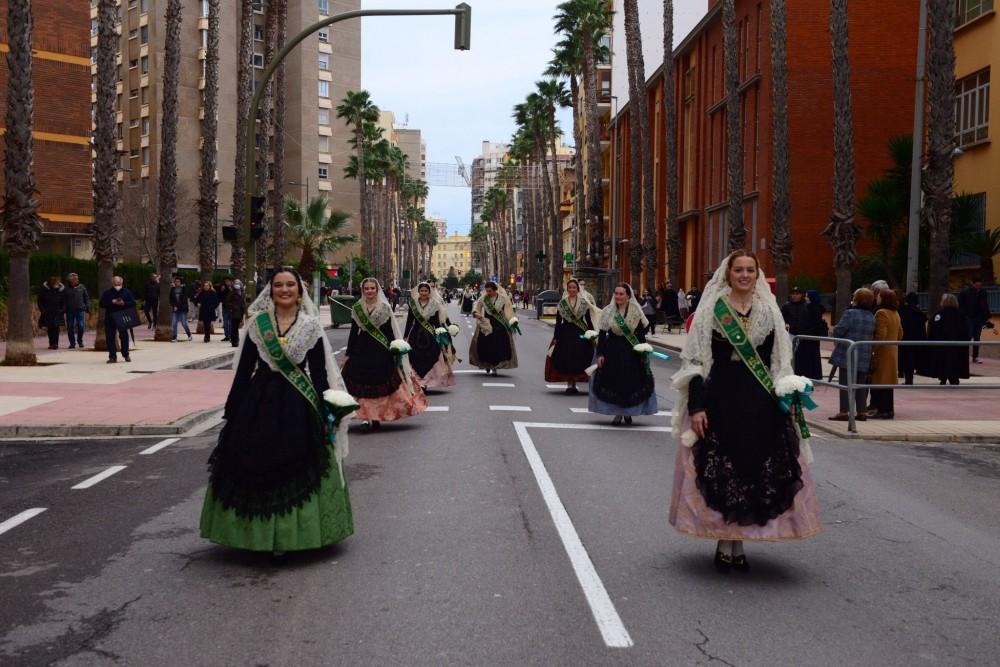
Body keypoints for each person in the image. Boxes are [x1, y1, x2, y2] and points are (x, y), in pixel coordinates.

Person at [670, 250, 822, 571]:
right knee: (723, 471)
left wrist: (787, 393)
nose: (744, 275)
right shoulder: (711, 310)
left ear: (757, 274)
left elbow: (780, 360)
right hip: (720, 398)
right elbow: (696, 362)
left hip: (760, 401)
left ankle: (738, 542)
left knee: (752, 469)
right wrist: (697, 406)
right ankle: (725, 542)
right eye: (738, 269)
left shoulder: (769, 311)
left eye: (749, 270)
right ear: (728, 274)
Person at [200, 269, 354, 554]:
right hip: (259, 402)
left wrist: (326, 409)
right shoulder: (258, 326)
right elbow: (244, 371)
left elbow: (319, 374)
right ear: (270, 291)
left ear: (300, 291)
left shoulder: (311, 327)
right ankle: (255, 535)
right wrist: (232, 410)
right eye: (278, 285)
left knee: (297, 465)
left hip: (298, 405)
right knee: (253, 463)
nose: (284, 290)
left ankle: (288, 537)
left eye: (290, 285)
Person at [341, 277, 427, 429]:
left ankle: (378, 415)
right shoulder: (357, 308)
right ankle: (366, 416)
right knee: (360, 383)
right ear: (363, 291)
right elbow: (354, 333)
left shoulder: (384, 308)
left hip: (381, 350)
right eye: (366, 288)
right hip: (361, 349)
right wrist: (348, 353)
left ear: (377, 290)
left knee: (380, 381)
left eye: (372, 288)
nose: (369, 291)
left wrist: (394, 349)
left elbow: (389, 331)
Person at [588, 283, 657, 425]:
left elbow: (641, 334)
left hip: (632, 351)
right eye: (616, 293)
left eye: (621, 294)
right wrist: (600, 354)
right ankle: (618, 413)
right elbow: (602, 334)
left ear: (628, 296)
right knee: (615, 382)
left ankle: (628, 412)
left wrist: (643, 352)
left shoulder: (636, 311)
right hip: (613, 350)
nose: (618, 296)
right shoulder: (608, 311)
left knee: (631, 383)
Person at [827, 288, 876, 421]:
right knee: (860, 385)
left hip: (848, 353)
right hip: (864, 354)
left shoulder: (850, 313)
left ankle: (844, 412)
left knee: (845, 383)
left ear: (857, 299)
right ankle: (861, 412)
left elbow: (839, 331)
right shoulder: (871, 316)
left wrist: (835, 330)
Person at [546, 279, 599, 394]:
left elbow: (588, 320)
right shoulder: (562, 304)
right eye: (570, 287)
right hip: (565, 334)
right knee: (567, 358)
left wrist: (592, 334)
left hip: (580, 333)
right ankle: (570, 383)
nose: (572, 290)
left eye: (574, 287)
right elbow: (558, 322)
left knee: (581, 357)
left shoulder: (584, 303)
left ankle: (577, 380)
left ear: (578, 289)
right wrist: (556, 337)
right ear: (567, 289)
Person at [404, 281, 457, 389]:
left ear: (429, 292)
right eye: (422, 291)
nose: (424, 293)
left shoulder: (435, 304)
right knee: (414, 356)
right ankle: (418, 381)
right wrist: (405, 336)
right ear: (418, 292)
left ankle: (429, 381)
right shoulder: (413, 304)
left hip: (430, 335)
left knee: (432, 355)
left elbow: (436, 322)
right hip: (415, 334)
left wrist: (440, 333)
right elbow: (409, 321)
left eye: (426, 291)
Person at [469, 281, 519, 376]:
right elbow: (477, 305)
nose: (488, 293)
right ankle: (487, 364)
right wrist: (476, 313)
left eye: (490, 291)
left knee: (498, 346)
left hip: (499, 324)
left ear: (495, 290)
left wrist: (511, 321)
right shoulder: (484, 298)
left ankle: (495, 367)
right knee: (484, 345)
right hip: (486, 324)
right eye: (487, 291)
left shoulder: (503, 299)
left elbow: (508, 311)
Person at [868, 289, 902, 419]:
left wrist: (872, 348)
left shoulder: (881, 313)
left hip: (882, 352)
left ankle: (881, 410)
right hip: (892, 351)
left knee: (880, 381)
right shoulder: (895, 313)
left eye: (879, 296)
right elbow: (900, 333)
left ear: (883, 299)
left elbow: (880, 335)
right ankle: (889, 410)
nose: (877, 298)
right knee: (888, 382)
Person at [929, 293, 970, 385]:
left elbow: (933, 330)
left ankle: (943, 377)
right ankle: (954, 378)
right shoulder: (961, 315)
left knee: (943, 362)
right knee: (955, 362)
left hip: (942, 346)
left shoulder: (939, 314)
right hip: (957, 346)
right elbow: (966, 331)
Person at [99, 276, 136, 363]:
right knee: (110, 337)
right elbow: (101, 304)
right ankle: (112, 357)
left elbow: (133, 303)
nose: (117, 285)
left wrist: (124, 303)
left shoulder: (127, 292)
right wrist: (112, 302)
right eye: (115, 283)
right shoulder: (107, 293)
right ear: (112, 283)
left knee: (124, 336)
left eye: (119, 283)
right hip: (110, 317)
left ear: (121, 282)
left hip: (122, 317)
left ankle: (126, 354)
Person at [958, 278, 992, 364]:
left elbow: (985, 304)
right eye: (976, 285)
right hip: (969, 317)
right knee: (969, 336)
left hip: (979, 318)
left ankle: (975, 357)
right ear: (973, 284)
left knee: (977, 337)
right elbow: (961, 305)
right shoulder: (966, 292)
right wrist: (963, 316)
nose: (978, 287)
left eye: (980, 285)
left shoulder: (983, 292)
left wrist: (987, 317)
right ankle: (962, 356)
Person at [898, 292, 928, 384]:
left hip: (905, 338)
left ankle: (907, 378)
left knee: (906, 360)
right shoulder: (919, 314)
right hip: (917, 339)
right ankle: (909, 377)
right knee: (913, 359)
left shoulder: (902, 312)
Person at [38, 275, 67, 350]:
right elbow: (40, 301)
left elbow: (64, 302)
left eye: (58, 282)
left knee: (56, 328)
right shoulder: (45, 290)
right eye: (55, 283)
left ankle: (55, 344)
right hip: (48, 312)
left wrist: (62, 310)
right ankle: (51, 343)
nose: (57, 284)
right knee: (50, 328)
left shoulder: (61, 290)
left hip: (57, 312)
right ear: (51, 283)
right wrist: (43, 310)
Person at [64, 273, 90, 349]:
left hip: (80, 309)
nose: (77, 280)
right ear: (70, 280)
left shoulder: (82, 287)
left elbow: (86, 298)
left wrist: (87, 306)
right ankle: (72, 343)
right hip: (70, 310)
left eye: (77, 279)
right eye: (75, 279)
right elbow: (63, 300)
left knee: (81, 326)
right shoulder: (66, 289)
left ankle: (80, 341)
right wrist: (63, 308)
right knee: (70, 327)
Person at [223, 279, 247, 348]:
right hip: (233, 313)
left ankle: (235, 340)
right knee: (234, 328)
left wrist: (243, 309)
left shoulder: (242, 292)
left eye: (238, 283)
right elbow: (227, 302)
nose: (237, 284)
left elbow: (243, 302)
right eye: (236, 283)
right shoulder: (231, 292)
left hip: (240, 313)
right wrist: (233, 307)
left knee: (236, 328)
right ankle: (234, 341)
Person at [169, 277, 193, 342]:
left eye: (178, 281)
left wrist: (177, 306)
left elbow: (184, 299)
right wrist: (174, 306)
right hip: (175, 309)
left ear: (180, 282)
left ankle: (189, 334)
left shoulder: (184, 289)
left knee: (184, 323)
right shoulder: (172, 289)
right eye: (176, 281)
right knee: (174, 323)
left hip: (183, 309)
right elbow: (170, 299)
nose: (177, 283)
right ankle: (174, 337)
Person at [218, 277, 233, 342]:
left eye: (227, 281)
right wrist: (222, 290)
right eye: (225, 281)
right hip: (225, 306)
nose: (226, 282)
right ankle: (227, 336)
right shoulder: (224, 288)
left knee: (230, 322)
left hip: (231, 307)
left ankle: (230, 335)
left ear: (231, 281)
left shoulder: (232, 288)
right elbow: (220, 296)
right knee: (225, 322)